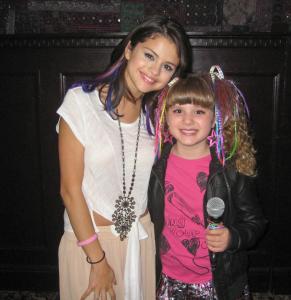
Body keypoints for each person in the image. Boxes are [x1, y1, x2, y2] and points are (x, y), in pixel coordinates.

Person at [56, 15, 191, 300]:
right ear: (130, 49)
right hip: (89, 244)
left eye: (167, 67)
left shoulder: (157, 118)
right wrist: (97, 259)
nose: (154, 71)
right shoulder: (81, 102)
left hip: (140, 240)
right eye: (149, 56)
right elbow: (69, 190)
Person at [148, 67, 266, 300]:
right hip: (168, 278)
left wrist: (232, 237)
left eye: (199, 111)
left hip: (217, 282)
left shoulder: (229, 171)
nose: (187, 120)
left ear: (215, 119)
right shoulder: (155, 165)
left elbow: (256, 222)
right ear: (165, 115)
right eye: (179, 110)